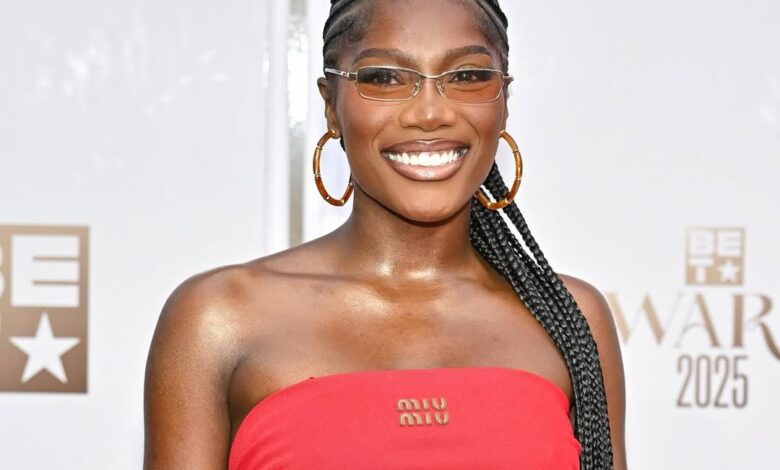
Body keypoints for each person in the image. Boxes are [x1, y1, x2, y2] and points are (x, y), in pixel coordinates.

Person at [144, 0, 627, 469]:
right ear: (330, 106)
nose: (430, 113)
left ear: (503, 102)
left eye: (467, 76)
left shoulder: (569, 318)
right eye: (385, 78)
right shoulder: (218, 320)